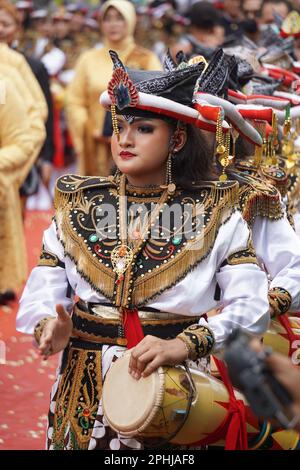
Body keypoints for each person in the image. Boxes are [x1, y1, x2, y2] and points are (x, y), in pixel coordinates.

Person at [17, 51, 270, 450]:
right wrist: (48, 326)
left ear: (178, 139)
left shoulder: (217, 210)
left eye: (144, 128)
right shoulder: (79, 203)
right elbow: (45, 288)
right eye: (121, 126)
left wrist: (185, 344)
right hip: (83, 383)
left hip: (172, 380)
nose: (125, 139)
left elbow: (250, 304)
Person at [66, 0, 162, 178]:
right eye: (107, 19)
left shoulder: (146, 59)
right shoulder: (88, 59)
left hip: (135, 145)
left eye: (119, 18)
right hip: (95, 146)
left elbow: (157, 104)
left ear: (131, 21)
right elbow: (74, 101)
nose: (113, 24)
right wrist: (90, 129)